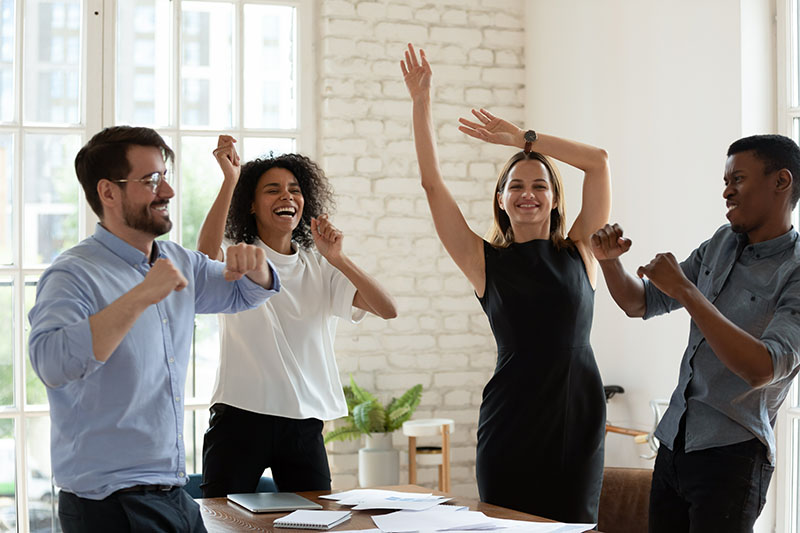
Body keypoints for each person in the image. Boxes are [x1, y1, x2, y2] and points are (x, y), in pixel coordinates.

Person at [28, 126, 280, 533]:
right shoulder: (72, 274)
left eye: (165, 177)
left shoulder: (178, 261)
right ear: (108, 193)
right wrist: (142, 294)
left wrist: (259, 264)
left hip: (172, 494)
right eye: (151, 181)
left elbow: (244, 294)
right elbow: (53, 363)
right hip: (107, 504)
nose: (168, 193)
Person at [401, 44, 611, 522]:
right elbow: (433, 184)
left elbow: (598, 163)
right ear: (501, 198)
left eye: (540, 185)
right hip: (510, 425)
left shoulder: (582, 249)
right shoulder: (483, 262)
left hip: (577, 417)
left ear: (556, 199)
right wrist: (421, 102)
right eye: (516, 185)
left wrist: (524, 139)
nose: (528, 194)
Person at [590, 134, 800, 532]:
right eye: (725, 181)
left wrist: (686, 291)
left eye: (737, 179)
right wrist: (610, 262)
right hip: (673, 444)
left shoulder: (795, 271)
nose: (726, 191)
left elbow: (762, 368)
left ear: (781, 181)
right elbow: (641, 303)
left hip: (733, 457)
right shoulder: (720, 243)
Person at [198, 136, 397, 497]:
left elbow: (387, 308)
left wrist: (338, 258)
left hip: (303, 423)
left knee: (313, 521)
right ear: (252, 206)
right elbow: (203, 261)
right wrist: (230, 180)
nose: (287, 196)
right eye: (272, 190)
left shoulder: (319, 265)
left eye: (294, 189)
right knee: (221, 521)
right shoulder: (241, 256)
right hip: (240, 416)